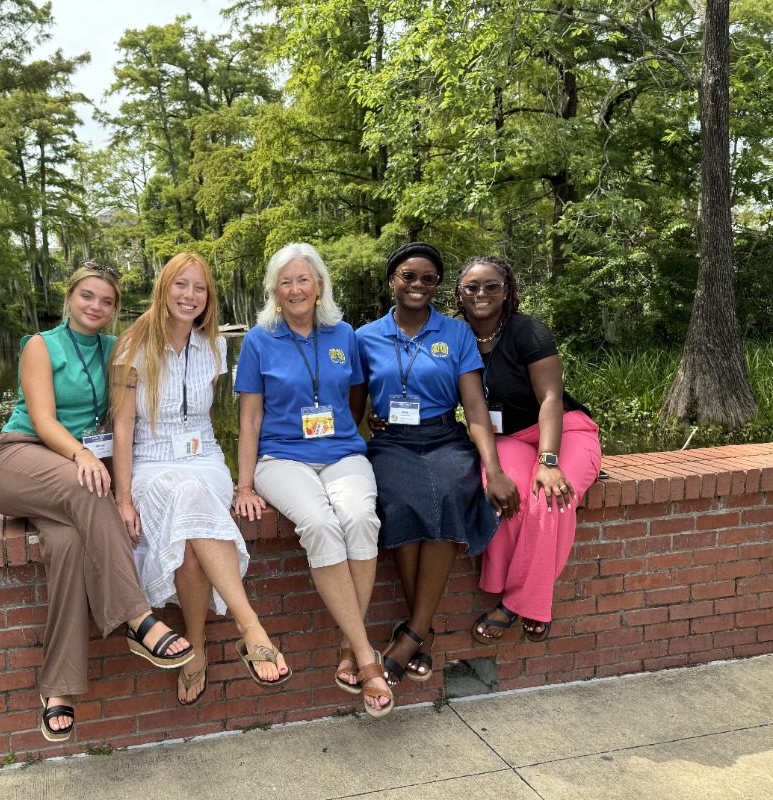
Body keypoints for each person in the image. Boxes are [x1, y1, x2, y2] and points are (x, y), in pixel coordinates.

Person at [0, 263, 194, 744]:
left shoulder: (117, 350)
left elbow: (124, 421)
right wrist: (83, 456)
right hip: (21, 458)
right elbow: (41, 418)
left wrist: (126, 492)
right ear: (69, 297)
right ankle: (138, 618)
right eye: (87, 296)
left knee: (70, 547)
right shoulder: (42, 345)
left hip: (68, 479)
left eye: (106, 301)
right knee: (88, 487)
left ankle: (57, 689)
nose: (95, 307)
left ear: (116, 308)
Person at [111, 253, 290, 706]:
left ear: (208, 297)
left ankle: (197, 647)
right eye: (181, 285)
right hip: (151, 463)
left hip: (204, 458)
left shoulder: (214, 345)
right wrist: (123, 499)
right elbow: (123, 428)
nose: (190, 296)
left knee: (192, 532)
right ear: (163, 288)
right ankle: (250, 628)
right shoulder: (131, 346)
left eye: (200, 288)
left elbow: (206, 415)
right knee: (187, 504)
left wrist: (235, 478)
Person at [234, 242, 393, 718]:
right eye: (286, 282)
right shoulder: (259, 340)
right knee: (320, 525)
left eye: (304, 279)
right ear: (274, 292)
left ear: (320, 286)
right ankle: (366, 656)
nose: (296, 288)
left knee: (361, 517)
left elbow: (355, 399)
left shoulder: (344, 333)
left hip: (343, 453)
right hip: (282, 459)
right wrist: (244, 486)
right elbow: (249, 420)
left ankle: (348, 646)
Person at [352, 242, 520, 687]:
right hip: (392, 443)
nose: (418, 285)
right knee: (400, 502)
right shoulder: (365, 337)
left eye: (428, 278)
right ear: (392, 281)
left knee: (451, 494)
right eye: (409, 276)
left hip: (445, 437)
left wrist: (496, 468)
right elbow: (351, 410)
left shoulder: (456, 334)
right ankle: (420, 632)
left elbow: (475, 408)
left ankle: (411, 637)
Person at [455, 255, 602, 643]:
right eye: (472, 286)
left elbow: (551, 397)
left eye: (492, 286)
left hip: (563, 429)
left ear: (507, 291)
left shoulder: (527, 331)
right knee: (506, 494)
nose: (481, 293)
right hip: (508, 437)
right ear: (459, 293)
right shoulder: (454, 337)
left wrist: (549, 461)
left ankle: (519, 603)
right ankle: (529, 596)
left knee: (551, 495)